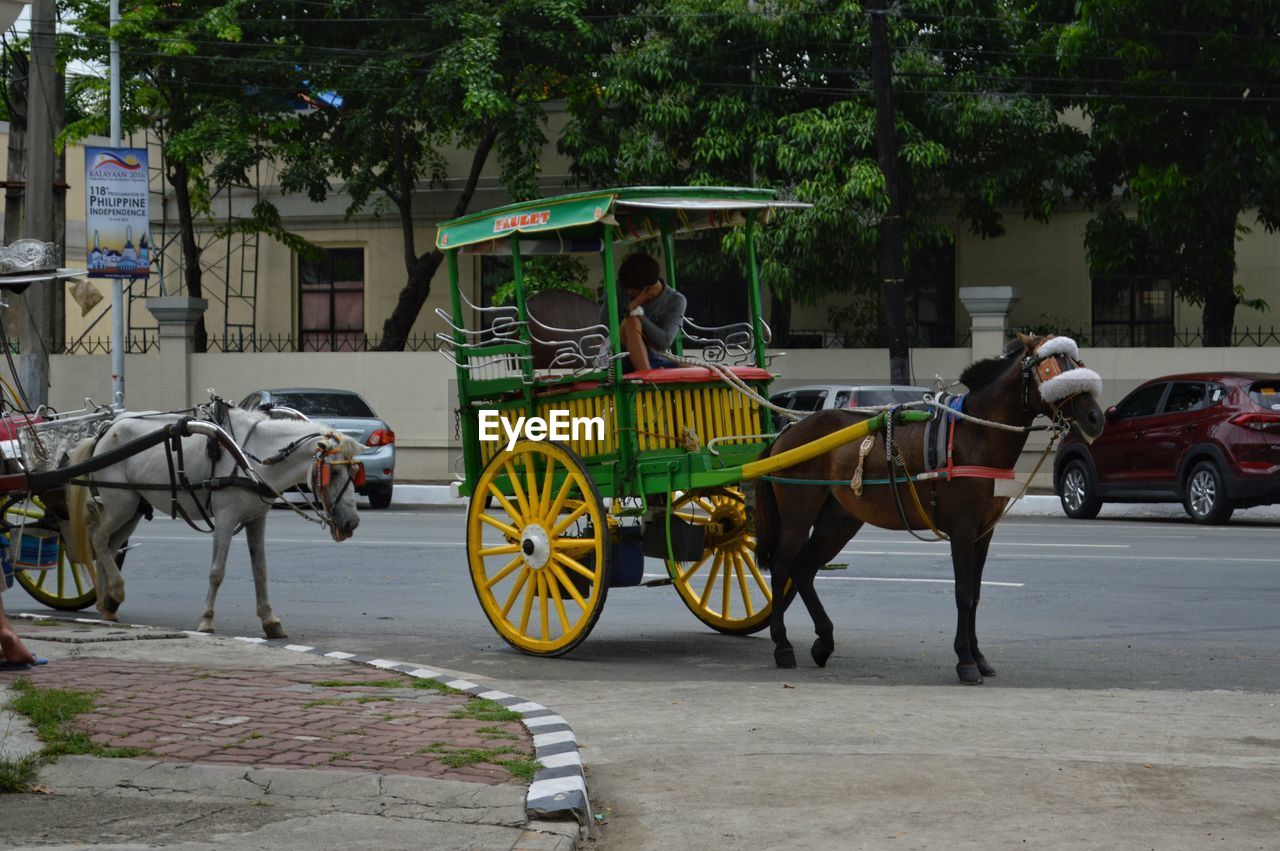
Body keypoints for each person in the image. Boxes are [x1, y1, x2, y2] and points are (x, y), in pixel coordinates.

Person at [602, 253, 687, 372]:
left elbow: (665, 342)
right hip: (620, 360)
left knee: (694, 367)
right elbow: (603, 329)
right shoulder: (618, 288)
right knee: (632, 322)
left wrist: (641, 316)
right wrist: (630, 313)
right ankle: (647, 377)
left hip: (655, 359)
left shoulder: (676, 300)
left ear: (648, 289)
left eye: (632, 293)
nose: (628, 294)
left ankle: (649, 372)